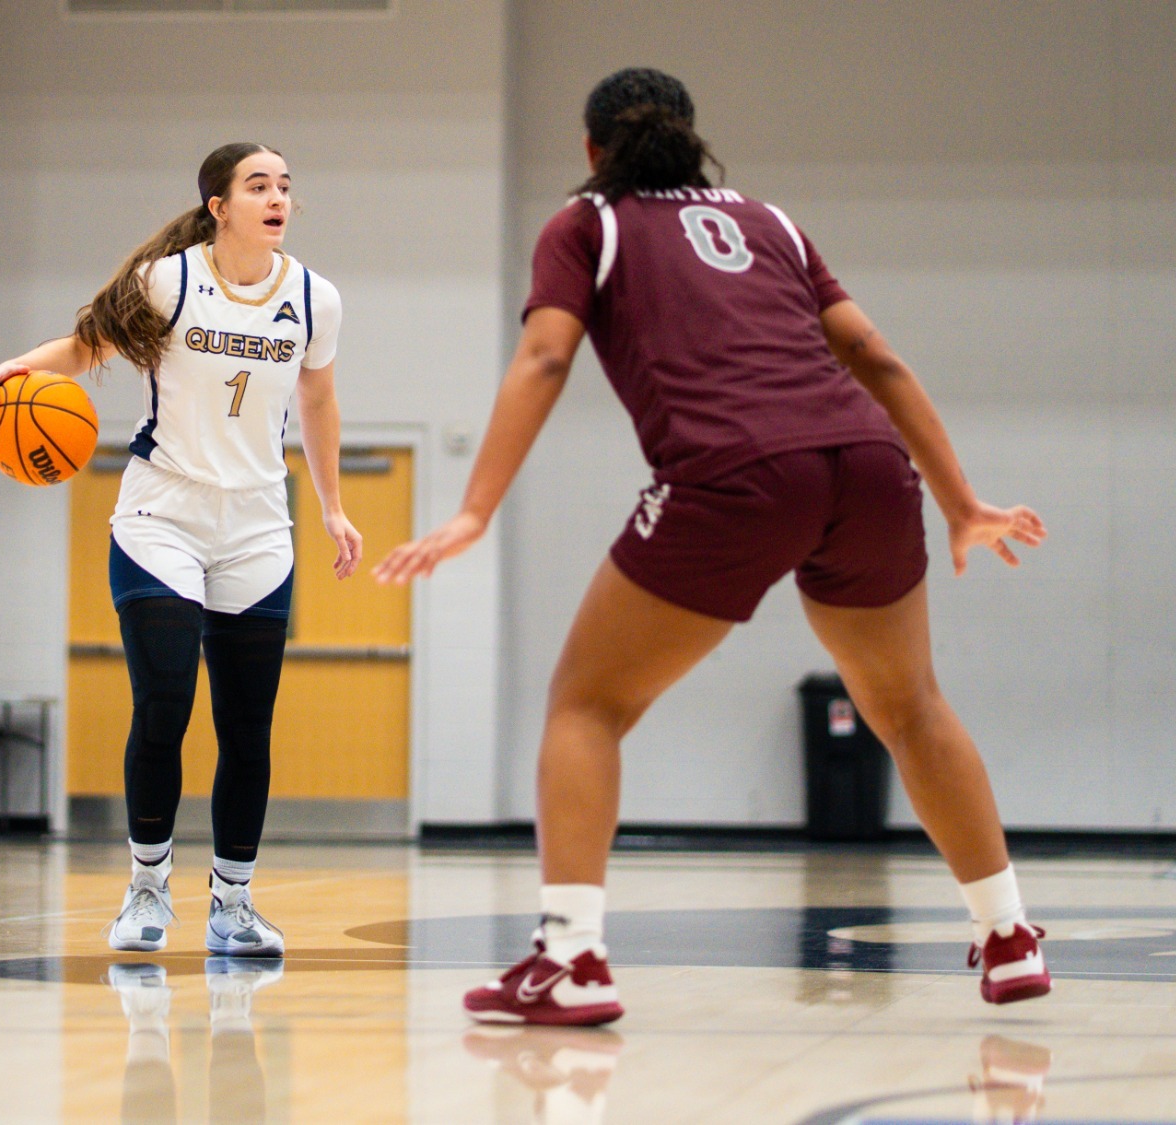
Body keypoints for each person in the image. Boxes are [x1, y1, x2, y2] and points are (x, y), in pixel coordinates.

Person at [375, 68, 1050, 1024]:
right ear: (691, 136)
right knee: (910, 707)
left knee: (587, 705)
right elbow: (876, 357)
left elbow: (547, 354)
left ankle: (571, 957)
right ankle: (1009, 932)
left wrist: (475, 510)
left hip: (736, 472)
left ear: (592, 148)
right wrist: (961, 500)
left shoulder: (587, 223)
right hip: (868, 464)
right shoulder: (770, 222)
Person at [0, 142, 358, 958]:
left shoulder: (313, 298)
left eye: (285, 185)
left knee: (247, 726)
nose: (278, 198)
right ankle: (147, 887)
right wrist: (18, 368)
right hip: (162, 514)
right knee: (165, 704)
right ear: (219, 206)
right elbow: (88, 345)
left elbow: (320, 400)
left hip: (257, 523)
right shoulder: (170, 281)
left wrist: (333, 506)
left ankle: (233, 903)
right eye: (258, 185)